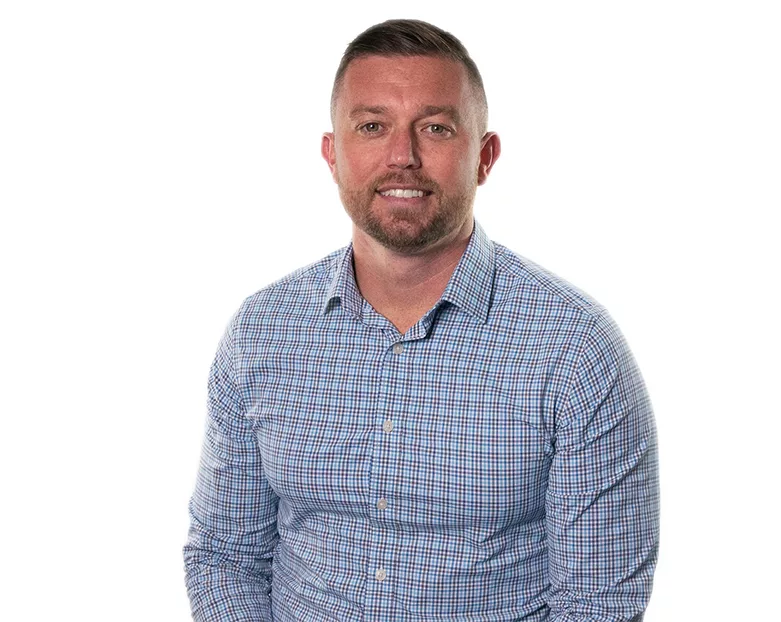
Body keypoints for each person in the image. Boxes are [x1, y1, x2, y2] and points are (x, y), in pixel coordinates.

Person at [183, 19, 659, 622]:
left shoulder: (577, 349)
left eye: (435, 128)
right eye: (372, 127)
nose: (402, 157)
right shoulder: (261, 332)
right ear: (332, 155)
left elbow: (598, 604)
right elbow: (226, 555)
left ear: (484, 156)